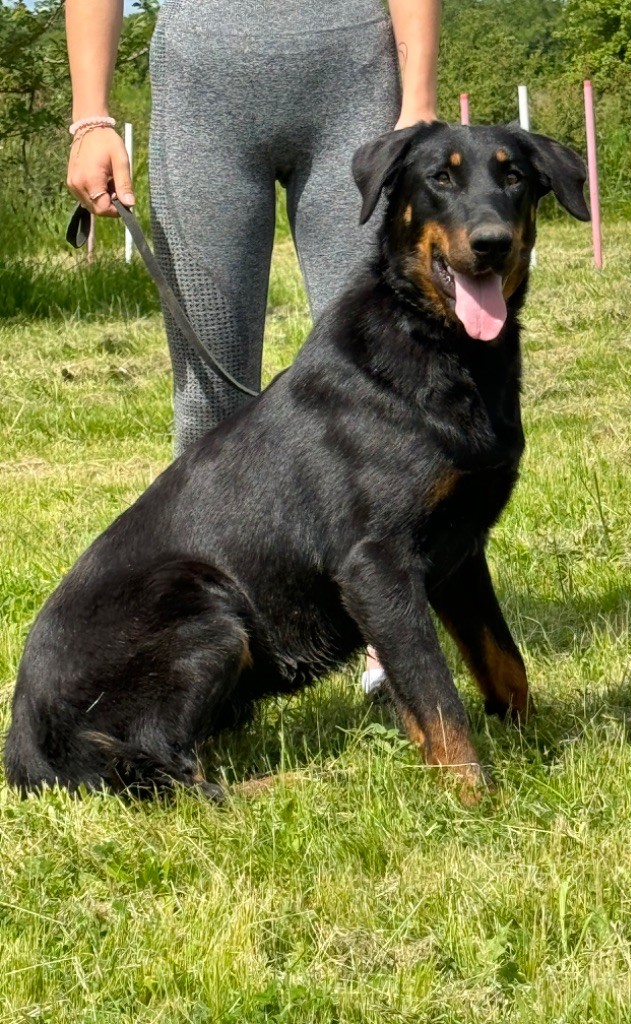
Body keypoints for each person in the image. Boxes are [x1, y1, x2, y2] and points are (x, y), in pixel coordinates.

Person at [65, 0, 440, 696]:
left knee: (384, 385)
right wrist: (90, 118)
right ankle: (201, 648)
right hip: (203, 92)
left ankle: (390, 644)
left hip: (356, 80)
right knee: (207, 404)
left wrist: (417, 98)